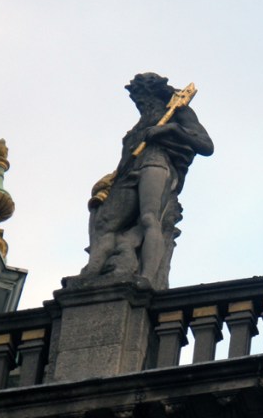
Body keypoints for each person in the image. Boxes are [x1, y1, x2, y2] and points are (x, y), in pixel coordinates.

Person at [79, 72, 214, 289]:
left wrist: (170, 129)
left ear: (154, 93)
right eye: (137, 99)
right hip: (127, 172)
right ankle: (91, 271)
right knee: (105, 222)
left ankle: (148, 278)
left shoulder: (178, 111)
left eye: (143, 97)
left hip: (156, 162)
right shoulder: (143, 121)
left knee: (150, 218)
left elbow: (207, 146)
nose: (140, 102)